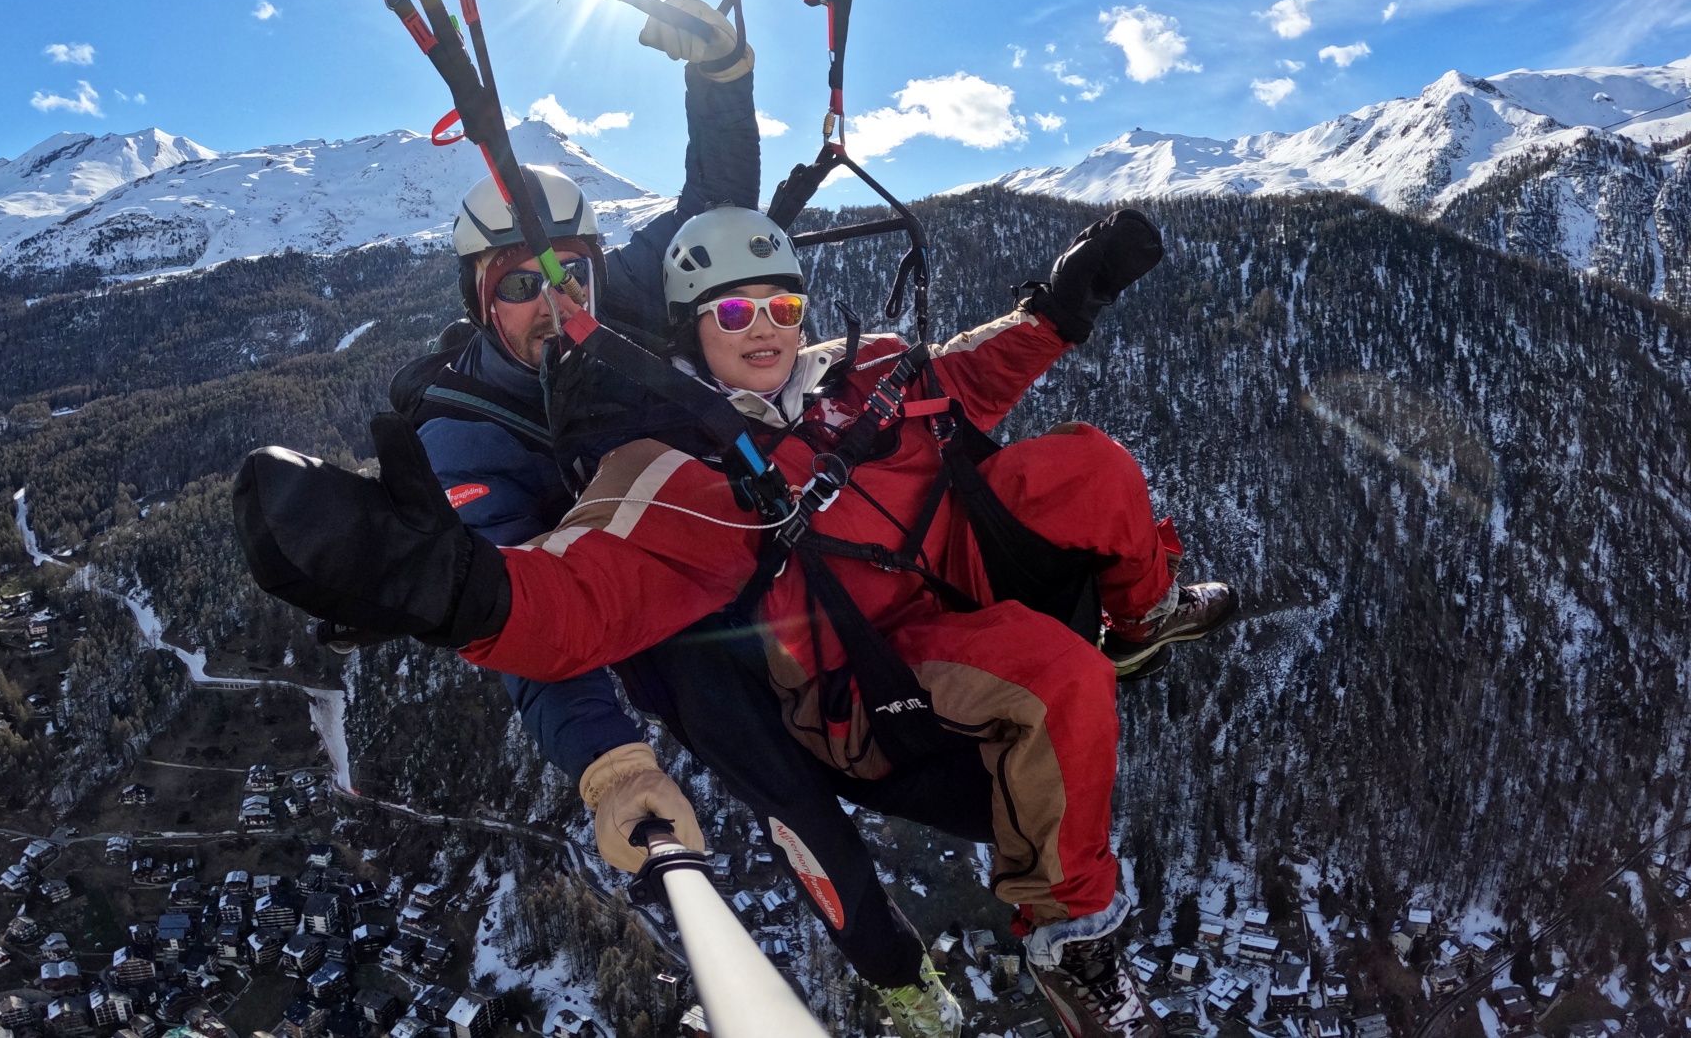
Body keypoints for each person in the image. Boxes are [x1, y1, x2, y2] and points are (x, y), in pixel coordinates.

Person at [240, 207, 1237, 1038]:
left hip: (952, 572)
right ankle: (1071, 939)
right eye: (729, 310)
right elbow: (583, 603)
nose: (761, 327)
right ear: (687, 329)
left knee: (1087, 464)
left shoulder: (855, 373)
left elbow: (964, 377)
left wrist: (1058, 310)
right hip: (876, 673)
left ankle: (1143, 612)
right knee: (1054, 672)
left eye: (779, 304)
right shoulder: (684, 476)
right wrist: (446, 587)